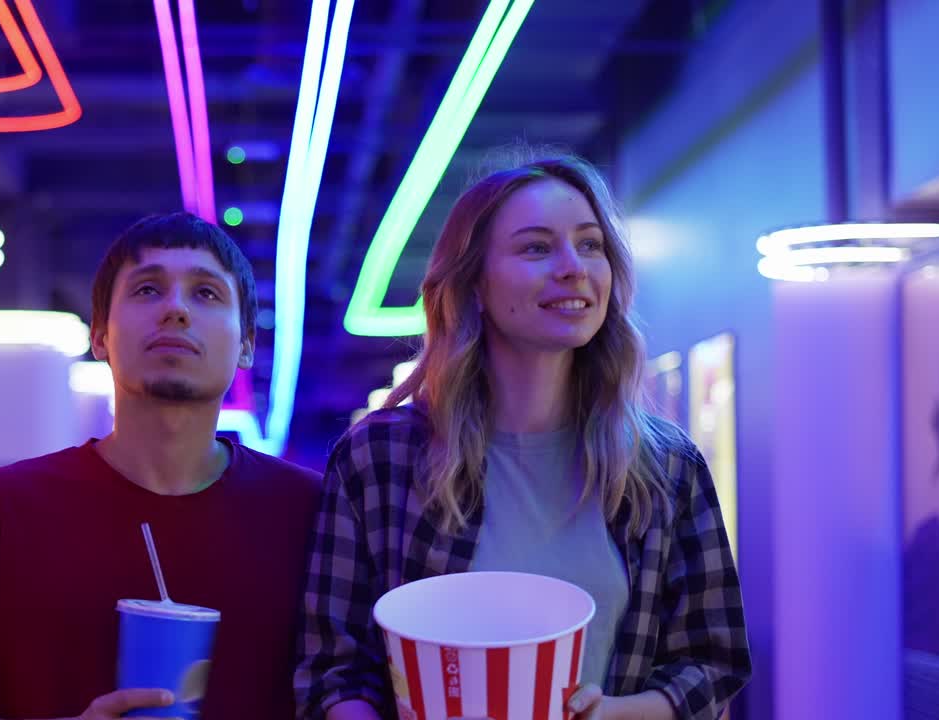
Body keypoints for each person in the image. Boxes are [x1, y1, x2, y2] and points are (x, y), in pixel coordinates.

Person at [295, 153, 751, 720]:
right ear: (474, 285)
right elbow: (332, 669)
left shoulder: (666, 465)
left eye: (590, 245)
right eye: (536, 248)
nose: (573, 267)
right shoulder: (379, 458)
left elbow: (713, 662)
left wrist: (610, 714)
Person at [0, 212, 321, 720]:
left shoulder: (310, 513)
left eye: (205, 293)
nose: (176, 309)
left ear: (246, 344)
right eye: (147, 290)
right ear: (100, 336)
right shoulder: (3, 510)